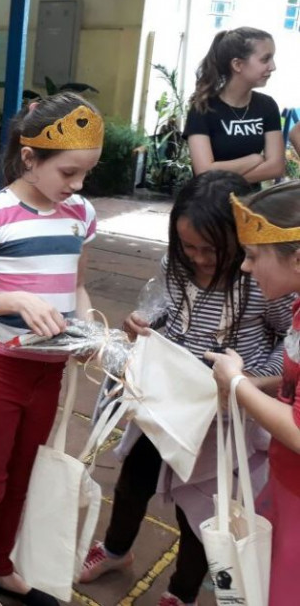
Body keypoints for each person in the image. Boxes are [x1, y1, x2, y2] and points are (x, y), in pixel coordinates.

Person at [78, 171, 292, 606]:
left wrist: (247, 386)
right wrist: (139, 323)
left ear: (240, 241)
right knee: (133, 479)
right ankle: (117, 550)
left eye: (210, 249)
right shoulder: (174, 266)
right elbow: (163, 313)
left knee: (201, 507)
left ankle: (182, 592)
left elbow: (285, 347)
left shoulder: (263, 280)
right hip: (166, 402)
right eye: (188, 247)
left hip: (225, 412)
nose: (198, 258)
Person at [0, 93, 105, 606]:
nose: (77, 186)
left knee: (24, 477)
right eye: (69, 172)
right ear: (30, 157)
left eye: (86, 175)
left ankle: (0, 564)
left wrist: (87, 330)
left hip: (48, 372)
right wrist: (13, 298)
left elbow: (77, 287)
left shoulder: (79, 212)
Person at [206, 181, 300, 606]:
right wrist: (249, 383)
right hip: (285, 481)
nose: (245, 267)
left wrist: (239, 384)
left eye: (254, 255)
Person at [184, 27, 284, 183]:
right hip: (208, 204)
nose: (273, 66)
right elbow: (203, 171)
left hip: (248, 203)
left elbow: (276, 167)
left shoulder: (267, 106)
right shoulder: (203, 108)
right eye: (265, 59)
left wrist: (220, 176)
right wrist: (254, 159)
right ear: (237, 64)